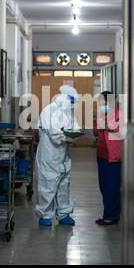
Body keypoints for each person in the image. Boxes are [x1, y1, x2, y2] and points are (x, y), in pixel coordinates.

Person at [35, 85, 81, 227]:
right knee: (47, 184)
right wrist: (68, 138)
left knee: (63, 184)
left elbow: (75, 127)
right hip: (49, 154)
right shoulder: (50, 111)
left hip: (63, 155)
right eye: (72, 101)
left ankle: (64, 214)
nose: (73, 105)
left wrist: (76, 134)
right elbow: (55, 135)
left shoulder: (68, 112)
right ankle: (45, 215)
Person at [94, 91, 122, 226]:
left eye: (102, 102)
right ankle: (109, 213)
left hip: (113, 157)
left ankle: (111, 216)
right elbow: (96, 130)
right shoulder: (102, 114)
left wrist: (104, 125)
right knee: (104, 186)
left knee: (112, 187)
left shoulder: (118, 114)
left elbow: (120, 130)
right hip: (101, 155)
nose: (101, 105)